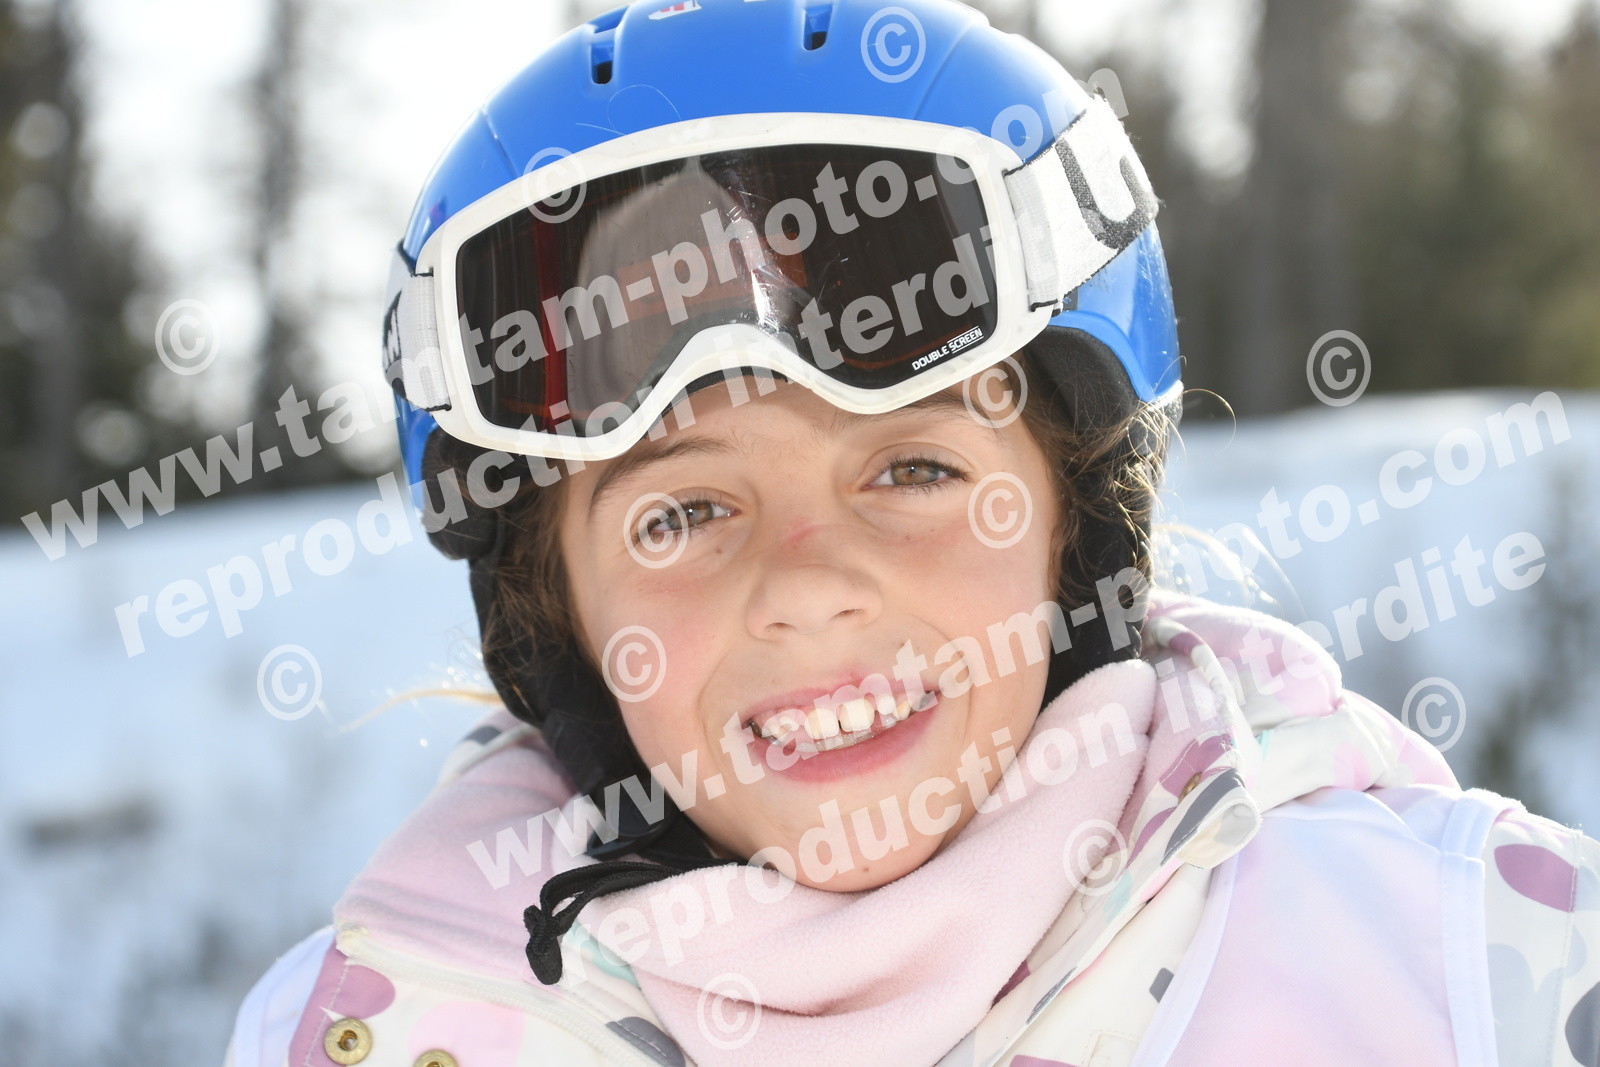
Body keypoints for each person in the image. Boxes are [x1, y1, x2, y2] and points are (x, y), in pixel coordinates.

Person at [224, 0, 1600, 1064]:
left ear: (1077, 524)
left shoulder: (1473, 970)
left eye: (914, 470)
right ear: (556, 618)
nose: (810, 587)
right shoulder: (369, 1024)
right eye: (684, 511)